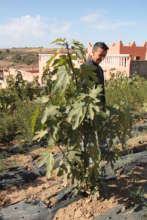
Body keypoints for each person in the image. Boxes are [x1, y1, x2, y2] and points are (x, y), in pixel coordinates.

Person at [86, 42, 109, 111]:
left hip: (98, 108)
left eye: (104, 56)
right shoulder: (86, 68)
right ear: (93, 52)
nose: (102, 58)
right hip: (89, 108)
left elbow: (102, 91)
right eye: (100, 55)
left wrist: (103, 107)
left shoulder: (100, 69)